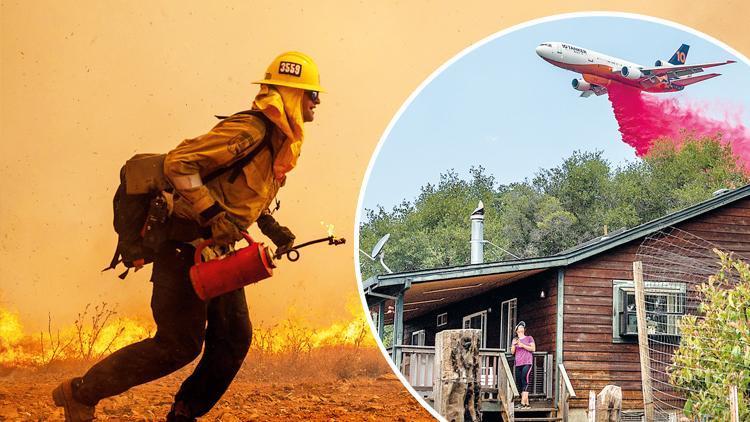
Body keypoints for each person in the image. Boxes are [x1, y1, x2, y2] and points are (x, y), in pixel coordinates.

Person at [52, 51, 324, 422]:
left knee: (233, 339)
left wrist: (272, 228)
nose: (317, 103)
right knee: (178, 344)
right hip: (184, 247)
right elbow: (178, 163)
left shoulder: (278, 144)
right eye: (311, 94)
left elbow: (240, 195)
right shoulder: (249, 131)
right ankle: (81, 393)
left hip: (219, 254)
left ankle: (184, 413)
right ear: (291, 96)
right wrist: (212, 215)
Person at [511, 320, 535, 409]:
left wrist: (523, 345)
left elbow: (533, 349)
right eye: (519, 326)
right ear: (516, 330)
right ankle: (526, 404)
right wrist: (514, 345)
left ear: (524, 329)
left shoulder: (529, 338)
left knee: (525, 380)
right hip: (518, 363)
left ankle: (522, 403)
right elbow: (512, 352)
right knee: (519, 382)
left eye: (522, 327)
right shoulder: (515, 339)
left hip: (527, 362)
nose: (521, 327)